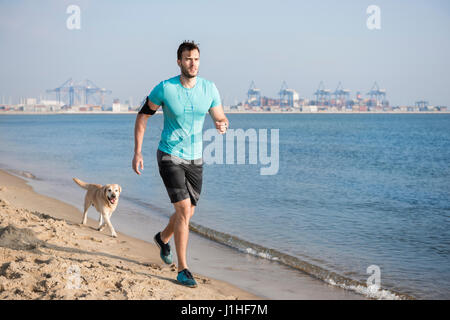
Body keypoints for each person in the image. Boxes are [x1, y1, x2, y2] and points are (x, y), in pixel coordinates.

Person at [132, 41, 229, 288]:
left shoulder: (209, 88)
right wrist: (138, 152)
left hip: (196, 158)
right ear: (179, 61)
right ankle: (183, 269)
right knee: (185, 211)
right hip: (169, 155)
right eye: (187, 59)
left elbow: (219, 115)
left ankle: (163, 238)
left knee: (187, 212)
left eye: (196, 59)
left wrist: (222, 123)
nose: (192, 63)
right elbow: (143, 116)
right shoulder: (165, 88)